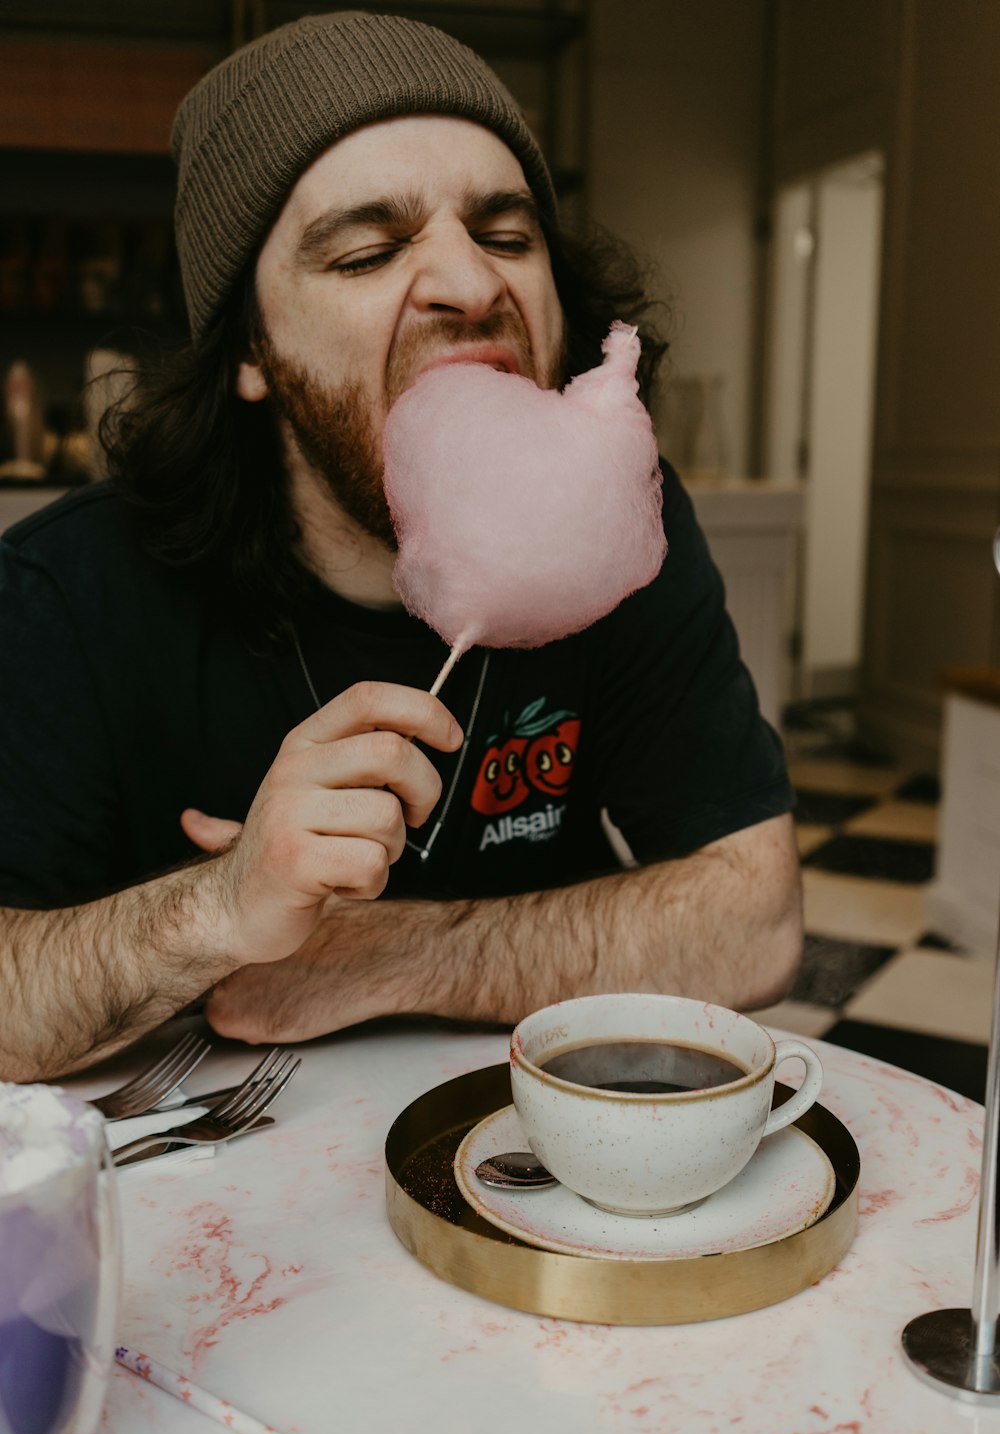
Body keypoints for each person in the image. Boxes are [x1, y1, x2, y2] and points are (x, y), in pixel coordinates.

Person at [0, 12, 801, 1083]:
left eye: (507, 236)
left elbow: (759, 918)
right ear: (250, 352)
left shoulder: (628, 545)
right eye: (371, 251)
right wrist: (221, 908)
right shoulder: (67, 592)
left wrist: (381, 958)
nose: (470, 285)